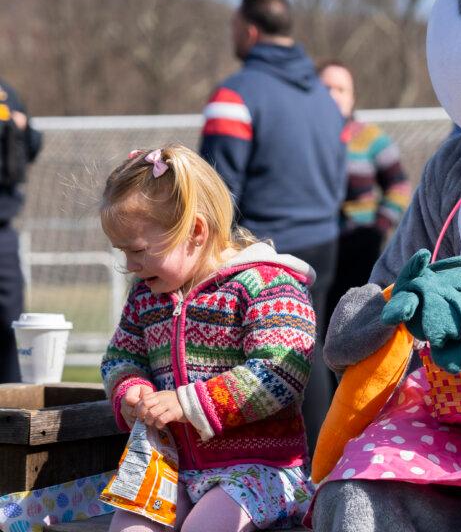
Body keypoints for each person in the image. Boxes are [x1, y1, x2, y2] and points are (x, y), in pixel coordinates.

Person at [99, 144, 316, 532]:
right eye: (122, 251)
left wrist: (188, 403)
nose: (129, 265)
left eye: (138, 250)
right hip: (175, 467)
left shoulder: (265, 284)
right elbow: (121, 356)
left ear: (196, 232)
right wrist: (130, 390)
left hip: (260, 471)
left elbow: (281, 373)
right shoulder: (147, 296)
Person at [200, 0, 345, 453]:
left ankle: (252, 475)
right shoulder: (324, 99)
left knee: (247, 363)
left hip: (259, 253)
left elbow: (214, 191)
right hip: (323, 240)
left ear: (249, 31)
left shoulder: (236, 95)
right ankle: (319, 469)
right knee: (308, 353)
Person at [316, 61, 411, 332]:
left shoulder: (370, 138)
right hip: (315, 247)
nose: (333, 95)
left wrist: (380, 225)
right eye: (326, 88)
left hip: (361, 248)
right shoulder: (303, 136)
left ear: (352, 96)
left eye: (340, 89)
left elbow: (399, 186)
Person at [0, 77, 43, 383]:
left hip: (2, 230)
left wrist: (21, 127)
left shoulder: (5, 95)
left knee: (10, 326)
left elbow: (31, 147)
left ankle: (10, 413)